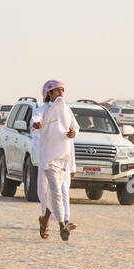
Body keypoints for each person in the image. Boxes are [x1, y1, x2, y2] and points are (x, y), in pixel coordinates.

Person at [32, 79, 78, 240]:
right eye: (57, 90)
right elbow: (35, 119)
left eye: (62, 90)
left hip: (64, 159)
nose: (61, 93)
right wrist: (36, 124)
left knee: (57, 192)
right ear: (49, 94)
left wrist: (73, 133)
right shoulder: (42, 110)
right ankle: (62, 225)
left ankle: (44, 220)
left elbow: (75, 127)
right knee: (56, 192)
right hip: (49, 159)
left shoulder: (66, 110)